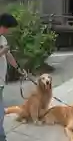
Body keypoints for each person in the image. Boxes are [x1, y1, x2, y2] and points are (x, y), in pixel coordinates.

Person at [0, 13, 26, 141]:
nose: (7, 30)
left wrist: (19, 68)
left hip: (0, 82)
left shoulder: (2, 39)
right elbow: (3, 53)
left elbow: (8, 56)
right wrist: (2, 52)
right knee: (0, 112)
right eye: (7, 27)